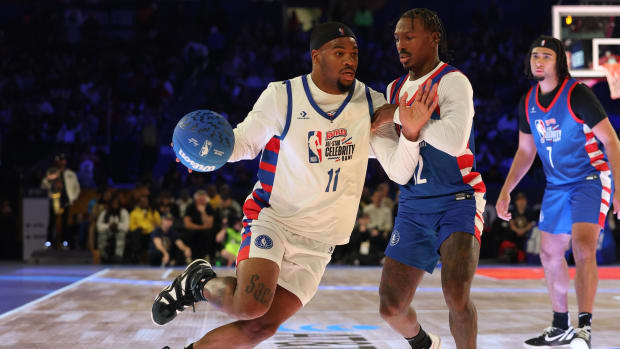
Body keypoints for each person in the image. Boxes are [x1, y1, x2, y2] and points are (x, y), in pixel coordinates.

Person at [151, 22, 437, 349]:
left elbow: (400, 171)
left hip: (320, 242)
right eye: (339, 52)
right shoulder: (282, 96)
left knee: (260, 327)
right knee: (250, 305)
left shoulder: (372, 104)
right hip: (275, 219)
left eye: (354, 54)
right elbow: (243, 143)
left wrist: (411, 133)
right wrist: (198, 153)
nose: (349, 60)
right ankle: (198, 283)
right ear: (316, 56)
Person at [496, 35, 620, 349]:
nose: (538, 60)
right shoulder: (528, 102)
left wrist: (619, 187)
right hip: (557, 185)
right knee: (550, 254)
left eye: (545, 56)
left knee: (582, 248)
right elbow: (525, 152)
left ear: (559, 61)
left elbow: (612, 142)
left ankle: (585, 328)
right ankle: (561, 325)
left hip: (590, 179)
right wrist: (506, 190)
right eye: (534, 55)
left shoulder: (578, 95)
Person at [372, 8, 485, 349]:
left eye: (409, 36)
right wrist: (407, 122)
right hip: (412, 205)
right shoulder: (393, 89)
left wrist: (412, 122)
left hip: (458, 199)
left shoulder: (453, 81)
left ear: (433, 38)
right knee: (390, 307)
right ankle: (423, 343)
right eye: (396, 38)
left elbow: (454, 141)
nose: (400, 44)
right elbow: (397, 168)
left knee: (456, 293)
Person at [41, 153, 81, 248]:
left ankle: (64, 243)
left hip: (66, 201)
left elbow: (77, 188)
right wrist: (52, 184)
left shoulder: (71, 173)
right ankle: (48, 243)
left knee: (65, 223)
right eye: (59, 160)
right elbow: (43, 185)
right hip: (54, 200)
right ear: (56, 162)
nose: (61, 162)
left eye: (63, 160)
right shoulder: (51, 172)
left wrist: (73, 198)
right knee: (52, 222)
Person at [183, 189, 218, 261]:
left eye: (203, 199)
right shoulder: (190, 206)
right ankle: (190, 257)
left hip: (205, 231)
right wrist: (201, 227)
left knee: (209, 232)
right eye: (200, 199)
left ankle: (208, 256)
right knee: (188, 232)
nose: (202, 201)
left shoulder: (209, 207)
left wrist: (203, 212)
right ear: (196, 199)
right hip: (194, 230)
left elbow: (209, 225)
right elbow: (187, 224)